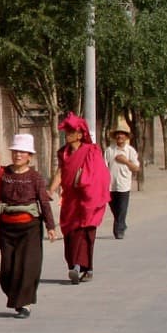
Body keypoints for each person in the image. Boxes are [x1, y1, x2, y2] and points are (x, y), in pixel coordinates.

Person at [0, 134, 57, 318]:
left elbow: (44, 202)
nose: (18, 155)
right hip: (7, 228)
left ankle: (25, 304)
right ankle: (16, 298)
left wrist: (51, 227)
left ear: (29, 156)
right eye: (15, 151)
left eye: (22, 152)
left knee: (27, 268)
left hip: (30, 228)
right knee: (7, 271)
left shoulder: (35, 177)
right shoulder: (3, 174)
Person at [49, 113, 110, 284]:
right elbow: (61, 172)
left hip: (87, 199)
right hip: (70, 200)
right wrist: (50, 190)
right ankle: (78, 266)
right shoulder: (63, 153)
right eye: (66, 131)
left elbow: (99, 175)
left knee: (84, 233)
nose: (67, 135)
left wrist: (87, 189)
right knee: (70, 233)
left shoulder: (91, 151)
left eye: (71, 131)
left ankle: (79, 267)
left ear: (80, 134)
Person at [103, 117, 140, 240]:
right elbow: (104, 167)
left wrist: (125, 161)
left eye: (122, 134)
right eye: (118, 134)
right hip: (110, 186)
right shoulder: (109, 150)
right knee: (115, 210)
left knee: (122, 209)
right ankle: (122, 224)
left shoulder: (130, 151)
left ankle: (118, 231)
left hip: (124, 186)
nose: (120, 136)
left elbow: (136, 168)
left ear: (126, 136)